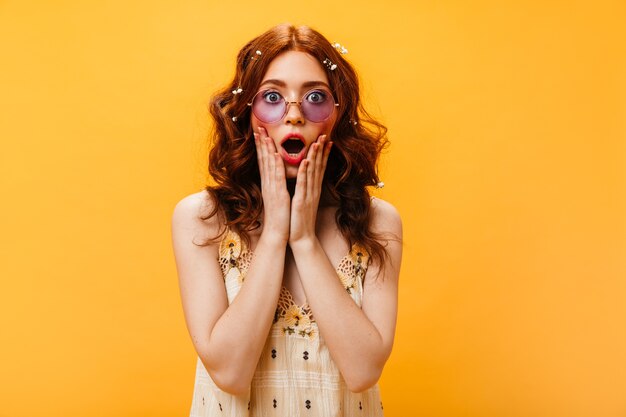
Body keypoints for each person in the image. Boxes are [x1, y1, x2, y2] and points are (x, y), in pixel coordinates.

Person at [171, 23, 403, 417]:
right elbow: (229, 371)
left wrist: (305, 242)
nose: (293, 115)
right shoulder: (202, 219)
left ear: (336, 114)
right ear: (246, 113)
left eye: (315, 97)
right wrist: (276, 234)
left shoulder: (378, 223)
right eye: (273, 97)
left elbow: (363, 371)